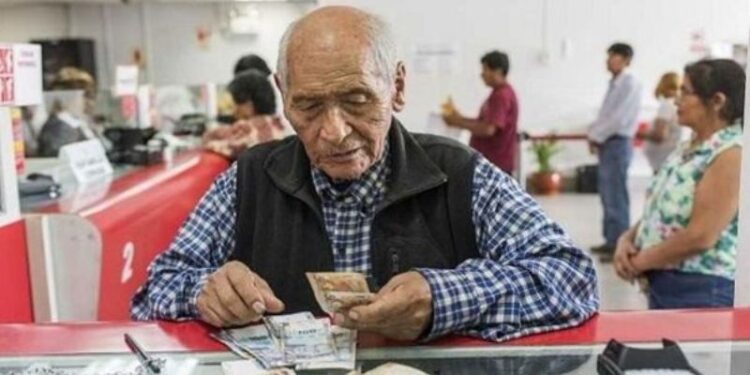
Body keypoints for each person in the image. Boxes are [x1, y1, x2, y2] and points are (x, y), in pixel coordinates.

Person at [132, 6, 598, 342]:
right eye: (308, 106)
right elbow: (155, 288)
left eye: (356, 101)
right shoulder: (249, 178)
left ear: (396, 87)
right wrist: (204, 292)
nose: (333, 132)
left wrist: (445, 297)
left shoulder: (457, 174)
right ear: (282, 93)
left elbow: (570, 277)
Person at [614, 59, 744, 309]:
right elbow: (662, 207)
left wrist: (639, 262)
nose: (676, 100)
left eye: (685, 92)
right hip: (667, 283)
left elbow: (702, 235)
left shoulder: (730, 154)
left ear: (717, 101)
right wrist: (627, 238)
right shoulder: (689, 147)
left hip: (701, 289)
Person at [588, 43, 642, 261]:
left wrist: (595, 136)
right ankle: (610, 240)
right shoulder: (614, 84)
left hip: (617, 143)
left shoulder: (630, 84)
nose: (609, 60)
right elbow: (605, 116)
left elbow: (617, 119)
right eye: (609, 56)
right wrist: (595, 135)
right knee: (607, 193)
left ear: (627, 59)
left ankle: (619, 244)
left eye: (614, 56)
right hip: (608, 143)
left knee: (616, 194)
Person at [442, 51, 519, 175]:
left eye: (485, 69)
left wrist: (458, 123)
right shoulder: (498, 93)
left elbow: (488, 129)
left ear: (498, 71)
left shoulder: (501, 96)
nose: (482, 74)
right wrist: (459, 118)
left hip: (495, 164)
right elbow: (484, 122)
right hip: (492, 163)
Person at [203, 70, 284, 159]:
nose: (234, 111)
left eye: (236, 103)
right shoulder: (277, 125)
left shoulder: (249, 129)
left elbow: (219, 145)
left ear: (248, 104)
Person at [638, 72, 682, 172]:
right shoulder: (676, 106)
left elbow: (659, 135)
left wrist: (635, 133)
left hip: (662, 161)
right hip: (669, 159)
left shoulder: (666, 106)